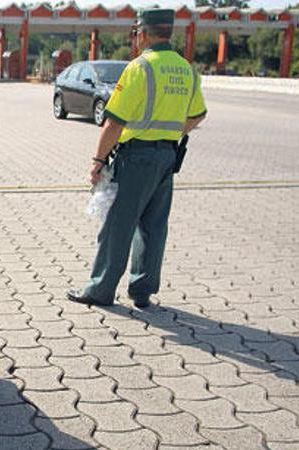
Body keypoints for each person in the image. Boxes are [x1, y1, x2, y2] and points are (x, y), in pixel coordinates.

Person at [67, 9, 207, 309]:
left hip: (136, 157)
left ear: (142, 33)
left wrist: (98, 160)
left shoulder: (140, 67)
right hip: (167, 156)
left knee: (119, 224)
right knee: (153, 225)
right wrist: (169, 130)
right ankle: (142, 290)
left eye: (135, 33)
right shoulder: (187, 69)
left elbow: (114, 122)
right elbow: (198, 114)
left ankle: (100, 290)